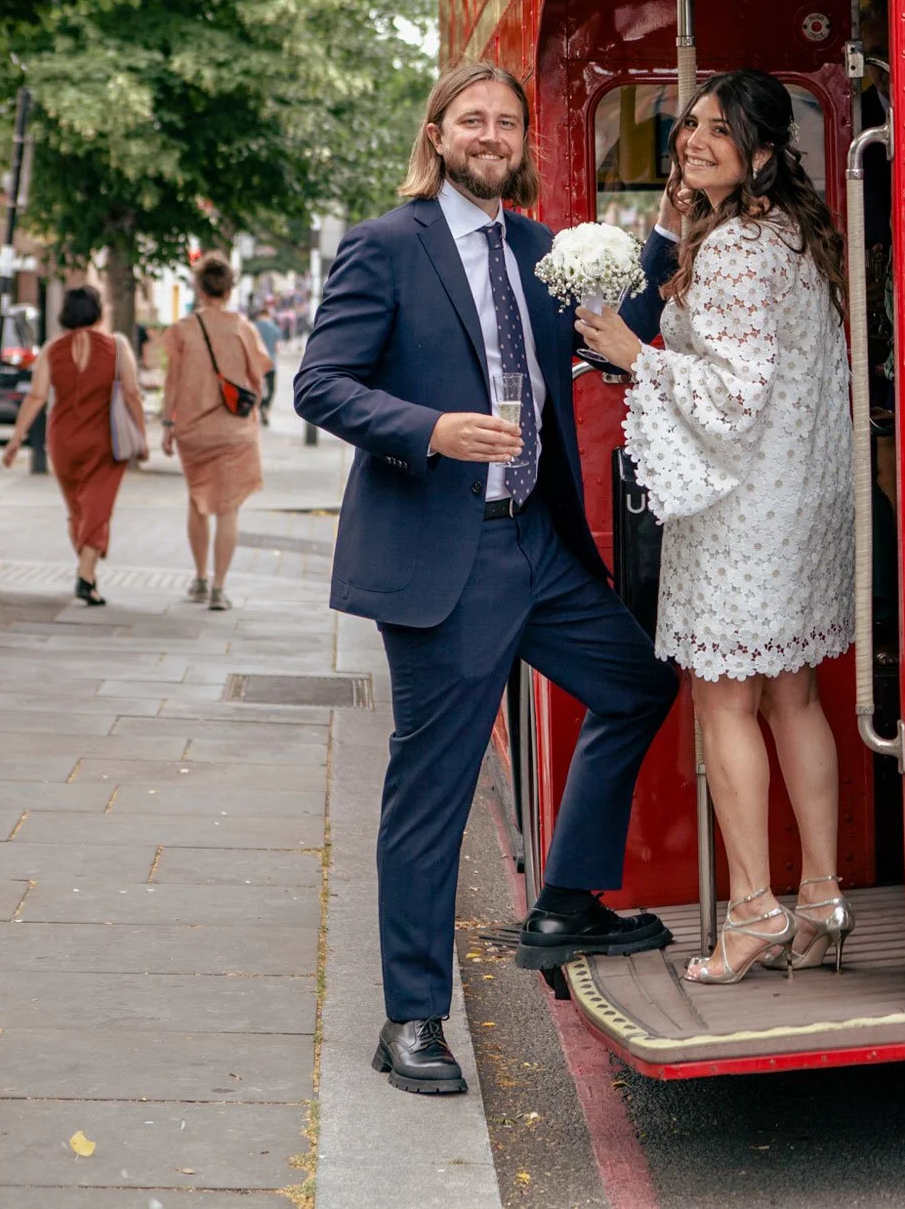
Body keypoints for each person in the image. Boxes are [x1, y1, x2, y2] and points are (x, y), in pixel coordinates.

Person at [293, 61, 679, 1096]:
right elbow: (320, 383)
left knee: (641, 682)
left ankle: (563, 902)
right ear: (437, 134)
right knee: (431, 796)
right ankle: (411, 1020)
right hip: (439, 555)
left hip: (536, 549)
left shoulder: (538, 249)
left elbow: (613, 319)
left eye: (506, 122)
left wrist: (674, 231)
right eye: (473, 119)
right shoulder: (385, 245)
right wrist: (428, 429)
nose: (492, 133)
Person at [578, 69, 856, 985]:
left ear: (762, 154)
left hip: (744, 512)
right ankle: (820, 898)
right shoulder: (790, 236)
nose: (692, 139)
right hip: (801, 503)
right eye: (688, 124)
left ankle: (751, 911)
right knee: (795, 697)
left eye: (716, 131)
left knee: (723, 699)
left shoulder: (737, 249)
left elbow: (733, 395)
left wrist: (635, 356)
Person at [0, 286, 135, 605]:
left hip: (62, 441)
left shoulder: (51, 349)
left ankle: (86, 571)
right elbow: (131, 393)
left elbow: (36, 397)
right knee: (97, 508)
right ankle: (86, 576)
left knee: (78, 509)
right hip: (104, 441)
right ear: (98, 310)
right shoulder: (117, 346)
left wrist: (16, 440)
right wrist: (141, 435)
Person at [160, 254, 272, 611]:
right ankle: (219, 589)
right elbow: (259, 380)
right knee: (228, 508)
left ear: (199, 287)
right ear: (229, 287)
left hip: (194, 430)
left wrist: (167, 424)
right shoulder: (243, 328)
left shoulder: (182, 330)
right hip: (235, 431)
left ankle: (199, 577)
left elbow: (172, 381)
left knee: (198, 500)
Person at [252, 305, 283, 423]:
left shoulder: (253, 327)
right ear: (268, 315)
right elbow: (277, 347)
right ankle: (266, 407)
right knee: (271, 389)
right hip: (271, 363)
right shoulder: (275, 328)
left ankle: (260, 407)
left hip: (257, 364)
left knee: (257, 388)